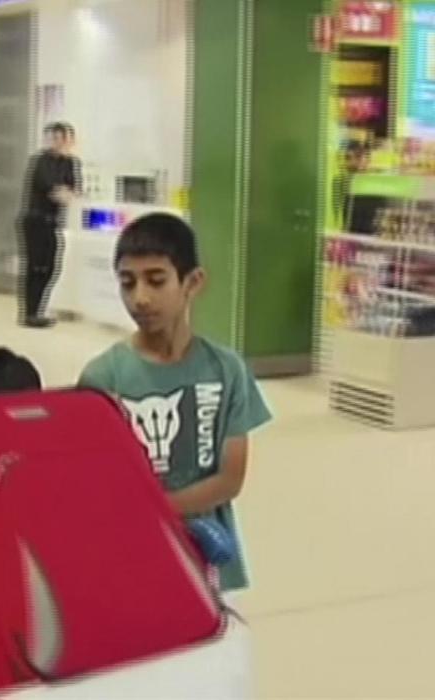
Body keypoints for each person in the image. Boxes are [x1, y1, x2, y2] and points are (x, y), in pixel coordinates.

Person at [78, 213, 271, 592]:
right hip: (130, 555)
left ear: (192, 282)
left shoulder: (226, 369)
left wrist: (156, 511)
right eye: (127, 283)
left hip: (206, 554)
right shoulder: (103, 377)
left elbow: (230, 479)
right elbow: (96, 483)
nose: (140, 298)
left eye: (156, 280)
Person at [18, 121, 81, 328]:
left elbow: (72, 191)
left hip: (53, 222)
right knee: (35, 266)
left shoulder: (71, 163)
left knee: (51, 266)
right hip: (35, 220)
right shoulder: (40, 161)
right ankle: (30, 313)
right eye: (54, 138)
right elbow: (52, 189)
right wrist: (61, 192)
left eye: (63, 138)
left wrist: (64, 192)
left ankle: (38, 309)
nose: (59, 142)